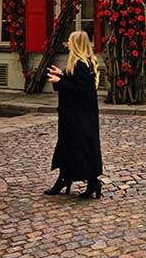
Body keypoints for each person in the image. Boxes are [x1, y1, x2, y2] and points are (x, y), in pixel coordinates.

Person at [44, 30, 103, 199]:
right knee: (73, 147)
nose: (68, 44)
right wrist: (61, 75)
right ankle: (67, 179)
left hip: (78, 116)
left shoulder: (80, 64)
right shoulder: (85, 62)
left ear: (76, 44)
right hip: (80, 115)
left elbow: (82, 90)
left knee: (79, 147)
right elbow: (78, 84)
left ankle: (88, 182)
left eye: (70, 41)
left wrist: (60, 81)